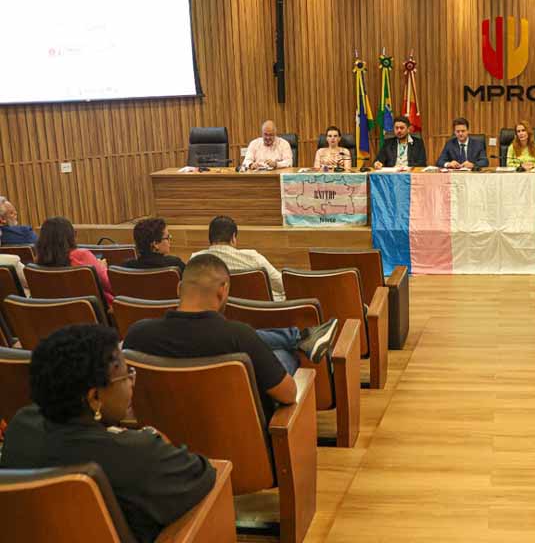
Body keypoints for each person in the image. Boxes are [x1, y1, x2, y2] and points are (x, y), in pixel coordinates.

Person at [0, 324, 216, 542]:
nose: (132, 382)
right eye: (126, 376)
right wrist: (160, 443)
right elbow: (202, 473)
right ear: (94, 397)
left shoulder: (20, 425)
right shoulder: (137, 454)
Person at [125, 254, 332, 420]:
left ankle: (297, 340)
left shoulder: (137, 334)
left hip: (163, 445)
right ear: (223, 291)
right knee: (285, 356)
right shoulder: (239, 336)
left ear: (179, 288)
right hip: (240, 442)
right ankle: (298, 341)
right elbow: (288, 394)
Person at [191, 215, 285, 300]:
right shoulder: (253, 258)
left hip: (214, 314)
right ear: (233, 238)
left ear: (210, 238)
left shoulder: (195, 260)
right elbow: (282, 285)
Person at [36, 216, 114, 306]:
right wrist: (102, 267)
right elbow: (111, 285)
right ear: (70, 236)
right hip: (91, 313)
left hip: (53, 314)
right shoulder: (81, 255)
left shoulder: (38, 261)